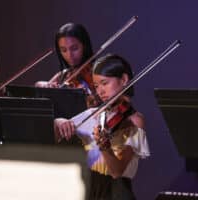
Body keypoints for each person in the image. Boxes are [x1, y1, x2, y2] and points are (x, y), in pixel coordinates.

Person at [54, 54, 150, 200]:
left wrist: (104, 147)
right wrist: (58, 122)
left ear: (124, 80)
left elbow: (117, 171)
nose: (100, 92)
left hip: (116, 194)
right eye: (97, 86)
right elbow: (56, 135)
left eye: (105, 83)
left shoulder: (135, 120)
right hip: (89, 191)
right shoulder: (94, 114)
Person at [35, 22, 99, 107]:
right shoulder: (62, 76)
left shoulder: (98, 70)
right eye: (64, 50)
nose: (69, 55)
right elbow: (43, 103)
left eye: (74, 48)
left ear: (85, 45)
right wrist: (41, 85)